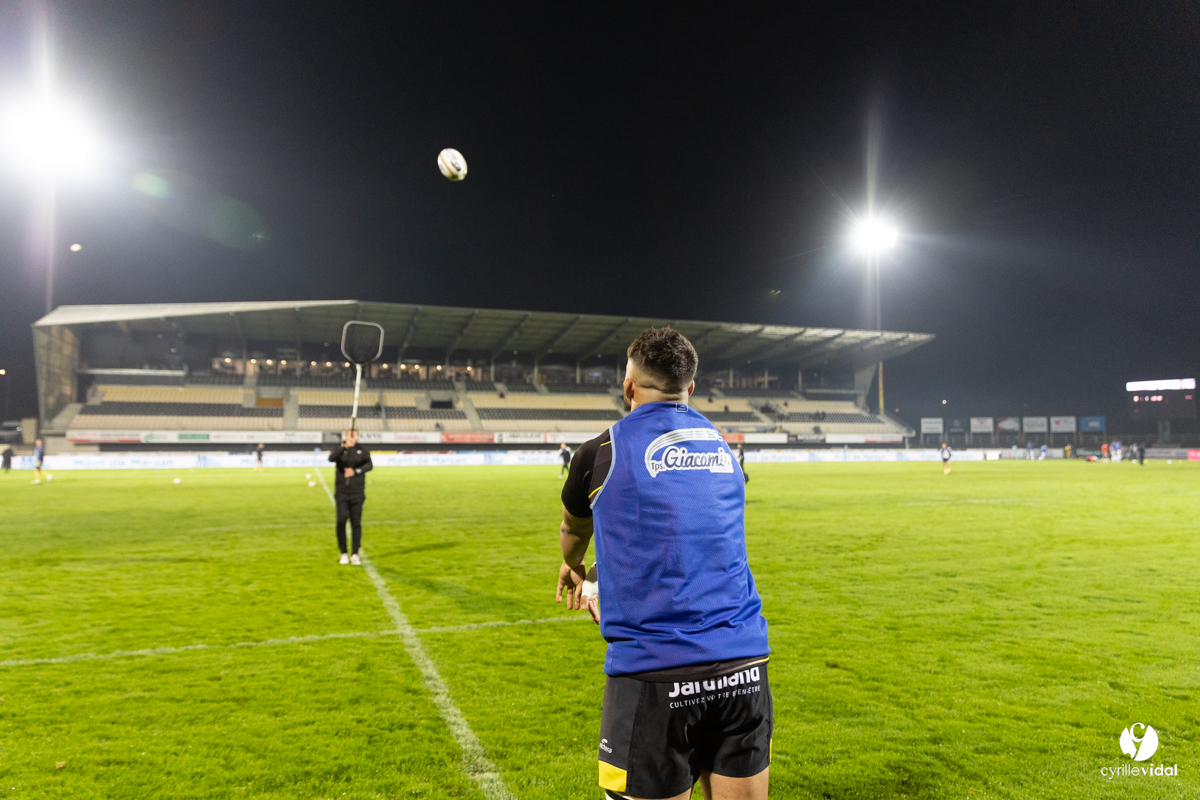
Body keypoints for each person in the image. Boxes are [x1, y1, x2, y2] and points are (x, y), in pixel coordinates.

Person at [557, 327, 770, 800]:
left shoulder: (599, 452)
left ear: (629, 386)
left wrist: (575, 567)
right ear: (690, 389)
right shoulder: (722, 448)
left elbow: (574, 530)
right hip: (744, 663)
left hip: (655, 674)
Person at [329, 429, 373, 565]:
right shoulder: (339, 450)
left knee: (356, 523)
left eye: (355, 436)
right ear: (346, 437)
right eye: (350, 435)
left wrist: (355, 471)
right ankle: (343, 552)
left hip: (357, 492)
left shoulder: (363, 451)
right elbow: (331, 458)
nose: (353, 438)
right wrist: (344, 447)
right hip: (342, 492)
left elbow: (369, 465)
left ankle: (355, 553)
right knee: (341, 520)